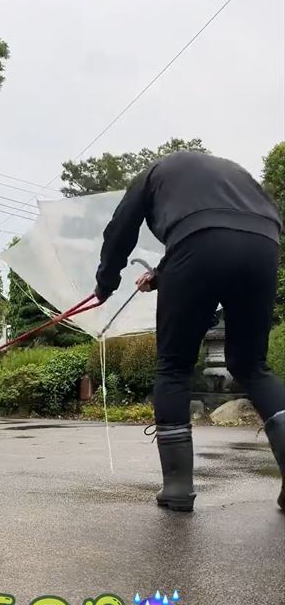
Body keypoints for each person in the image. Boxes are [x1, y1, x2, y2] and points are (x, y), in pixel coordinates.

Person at [94, 150, 284, 513]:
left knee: (174, 366)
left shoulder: (152, 173)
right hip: (264, 242)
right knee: (252, 365)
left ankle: (178, 487)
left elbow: (120, 229)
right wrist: (161, 274)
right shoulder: (231, 173)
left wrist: (106, 283)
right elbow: (213, 229)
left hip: (199, 245)